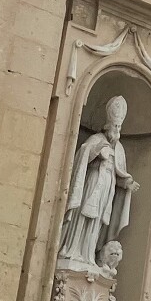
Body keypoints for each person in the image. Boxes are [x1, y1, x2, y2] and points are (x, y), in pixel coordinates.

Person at [57, 96, 138, 272]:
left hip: (107, 188)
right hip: (92, 182)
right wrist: (97, 151)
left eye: (119, 127)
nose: (117, 130)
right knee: (82, 216)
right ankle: (73, 250)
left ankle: (88, 255)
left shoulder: (119, 149)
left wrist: (127, 183)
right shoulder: (96, 139)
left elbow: (119, 172)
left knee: (97, 222)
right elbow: (82, 156)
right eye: (115, 126)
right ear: (108, 126)